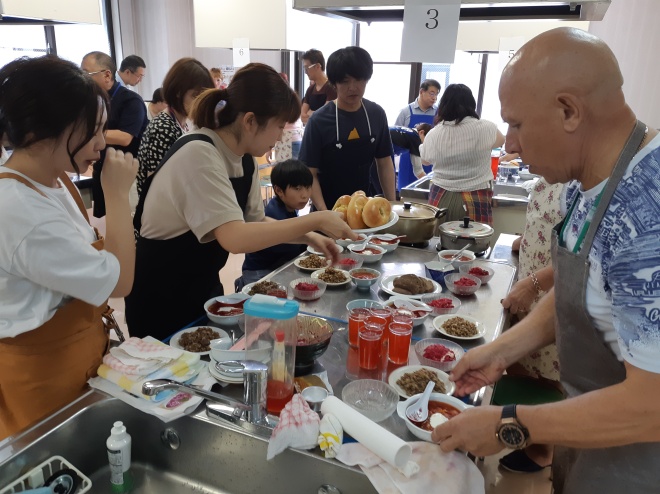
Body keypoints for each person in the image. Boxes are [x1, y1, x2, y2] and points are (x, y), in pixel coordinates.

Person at [432, 27, 660, 493]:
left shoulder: (649, 214)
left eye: (516, 124)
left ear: (569, 111)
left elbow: (652, 403)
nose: (509, 145)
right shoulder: (586, 183)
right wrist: (501, 351)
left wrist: (507, 425)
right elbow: (575, 289)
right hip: (592, 451)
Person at [125, 63, 357, 340]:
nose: (281, 136)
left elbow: (255, 222)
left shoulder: (244, 160)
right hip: (161, 297)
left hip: (202, 288)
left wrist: (309, 237)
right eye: (279, 126)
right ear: (249, 121)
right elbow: (235, 237)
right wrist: (316, 219)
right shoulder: (199, 153)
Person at [0, 56, 138, 439]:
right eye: (92, 131)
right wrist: (117, 195)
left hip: (78, 361)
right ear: (48, 129)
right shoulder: (19, 209)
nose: (100, 143)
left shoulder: (53, 181)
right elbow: (121, 281)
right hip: (42, 379)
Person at [498, 177, 564, 473]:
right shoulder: (547, 179)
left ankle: (544, 450)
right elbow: (544, 224)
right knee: (524, 366)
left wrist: (534, 283)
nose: (513, 144)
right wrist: (524, 241)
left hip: (549, 296)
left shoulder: (580, 186)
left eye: (518, 128)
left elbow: (575, 257)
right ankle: (533, 434)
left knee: (549, 376)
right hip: (529, 289)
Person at [299, 46, 396, 211]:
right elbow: (309, 173)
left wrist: (392, 206)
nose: (353, 87)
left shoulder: (376, 114)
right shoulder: (319, 120)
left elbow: (385, 162)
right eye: (345, 81)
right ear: (334, 83)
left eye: (359, 79)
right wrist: (325, 214)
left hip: (366, 209)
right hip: (328, 208)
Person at [421, 84, 504, 225]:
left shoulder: (435, 133)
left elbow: (425, 160)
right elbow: (501, 140)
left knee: (438, 243)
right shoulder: (486, 127)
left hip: (441, 197)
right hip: (476, 197)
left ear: (444, 105)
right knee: (474, 245)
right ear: (471, 104)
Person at [82, 51, 148, 218]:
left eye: (86, 73)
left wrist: (88, 131)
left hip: (126, 175)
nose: (82, 78)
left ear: (107, 75)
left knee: (125, 222)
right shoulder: (92, 101)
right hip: (101, 170)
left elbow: (125, 138)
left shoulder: (131, 101)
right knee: (102, 219)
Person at [137, 58, 214, 198]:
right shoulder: (163, 127)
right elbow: (157, 183)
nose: (200, 102)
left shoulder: (183, 122)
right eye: (196, 95)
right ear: (178, 92)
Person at [238, 159, 312, 289]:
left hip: (278, 266)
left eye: (307, 187)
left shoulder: (288, 207)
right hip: (259, 271)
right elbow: (289, 247)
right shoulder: (274, 213)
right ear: (279, 190)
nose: (305, 195)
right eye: (297, 188)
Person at [394, 79, 440, 189]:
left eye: (437, 95)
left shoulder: (438, 113)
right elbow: (395, 138)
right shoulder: (405, 112)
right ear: (421, 92)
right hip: (407, 163)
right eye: (431, 93)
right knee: (405, 197)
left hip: (429, 161)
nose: (434, 98)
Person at [300, 49, 336, 125]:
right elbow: (303, 116)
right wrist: (315, 115)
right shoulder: (310, 89)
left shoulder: (331, 87)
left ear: (317, 66)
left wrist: (310, 112)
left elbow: (325, 115)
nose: (305, 72)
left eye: (307, 68)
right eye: (304, 68)